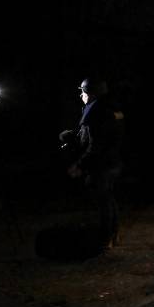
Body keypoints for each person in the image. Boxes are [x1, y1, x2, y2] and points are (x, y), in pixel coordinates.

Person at [60, 77, 124, 247]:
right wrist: (72, 136)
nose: (81, 95)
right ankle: (113, 235)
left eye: (83, 91)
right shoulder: (107, 109)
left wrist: (80, 165)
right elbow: (89, 136)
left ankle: (105, 238)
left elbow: (96, 145)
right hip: (112, 162)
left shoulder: (96, 113)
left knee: (103, 202)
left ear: (90, 93)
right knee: (108, 199)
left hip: (102, 165)